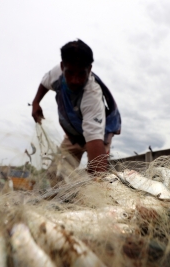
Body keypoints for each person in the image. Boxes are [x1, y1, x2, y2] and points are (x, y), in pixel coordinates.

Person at [31, 39, 121, 179]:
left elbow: (93, 138)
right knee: (56, 175)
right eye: (70, 73)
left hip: (99, 133)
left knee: (95, 175)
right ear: (62, 67)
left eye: (81, 74)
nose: (75, 80)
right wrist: (36, 102)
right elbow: (44, 83)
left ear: (89, 70)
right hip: (74, 133)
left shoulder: (92, 95)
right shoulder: (56, 74)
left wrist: (98, 182)